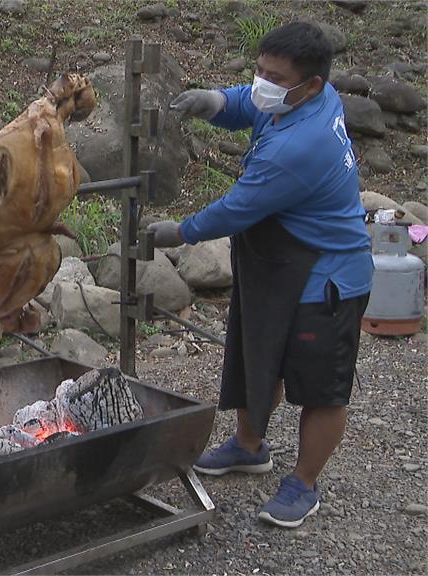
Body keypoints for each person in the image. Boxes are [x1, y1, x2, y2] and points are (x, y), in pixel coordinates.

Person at [148, 22, 372, 528]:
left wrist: (180, 231)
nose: (262, 83)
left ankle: (304, 484)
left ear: (310, 84)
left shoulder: (299, 147)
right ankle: (249, 446)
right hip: (280, 261)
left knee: (322, 388)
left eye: (275, 77)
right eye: (259, 71)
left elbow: (236, 209)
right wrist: (220, 102)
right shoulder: (311, 95)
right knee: (259, 354)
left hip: (325, 273)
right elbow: (256, 104)